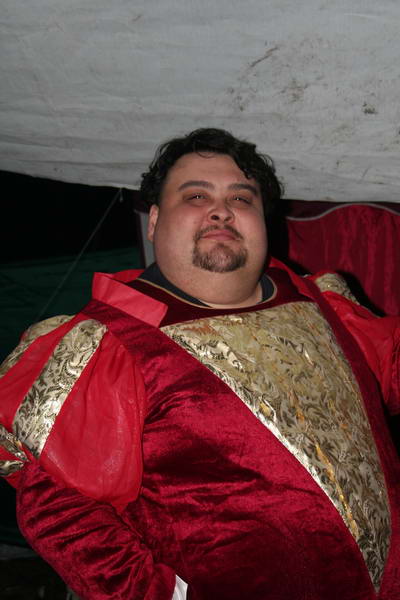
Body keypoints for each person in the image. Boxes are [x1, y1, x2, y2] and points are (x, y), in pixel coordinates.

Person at [0, 128, 399, 599]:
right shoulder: (110, 342)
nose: (221, 210)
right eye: (196, 195)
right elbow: (60, 508)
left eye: (241, 198)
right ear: (154, 222)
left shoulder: (323, 303)